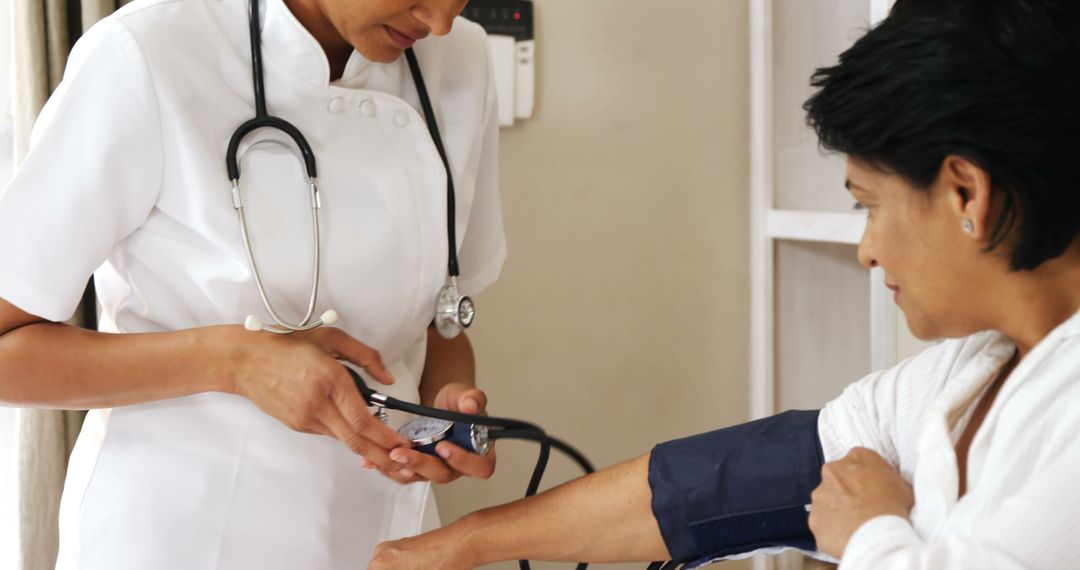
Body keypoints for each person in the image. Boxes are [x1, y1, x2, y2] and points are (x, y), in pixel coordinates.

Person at [368, 0, 1080, 568]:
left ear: (965, 194)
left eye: (870, 205)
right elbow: (759, 471)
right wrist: (464, 545)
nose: (866, 251)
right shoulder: (973, 369)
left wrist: (871, 532)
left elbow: (858, 513)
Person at [0, 0, 506, 568]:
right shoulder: (147, 52)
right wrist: (234, 362)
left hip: (379, 533)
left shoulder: (460, 57)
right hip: (181, 536)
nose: (438, 21)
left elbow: (443, 319)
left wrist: (442, 412)